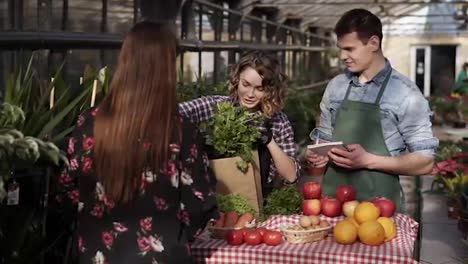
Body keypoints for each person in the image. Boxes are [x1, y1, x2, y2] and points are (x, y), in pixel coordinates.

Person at [56, 22, 218, 263]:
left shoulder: (89, 123)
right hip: (161, 254)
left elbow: (66, 190)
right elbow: (199, 205)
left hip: (97, 253)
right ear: (167, 69)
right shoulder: (181, 130)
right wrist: (172, 233)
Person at [306, 9, 438, 212]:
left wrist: (368, 161)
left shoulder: (405, 94)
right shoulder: (336, 87)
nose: (342, 56)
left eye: (350, 49)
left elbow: (425, 161)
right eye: (340, 49)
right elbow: (324, 139)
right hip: (331, 206)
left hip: (380, 211)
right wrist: (320, 153)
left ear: (374, 43)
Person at [179, 51, 300, 195]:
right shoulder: (216, 107)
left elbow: (291, 176)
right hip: (214, 200)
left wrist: (270, 141)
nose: (250, 94)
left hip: (257, 203)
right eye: (246, 84)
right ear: (237, 79)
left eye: (259, 89)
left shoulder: (278, 122)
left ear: (270, 91)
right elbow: (175, 114)